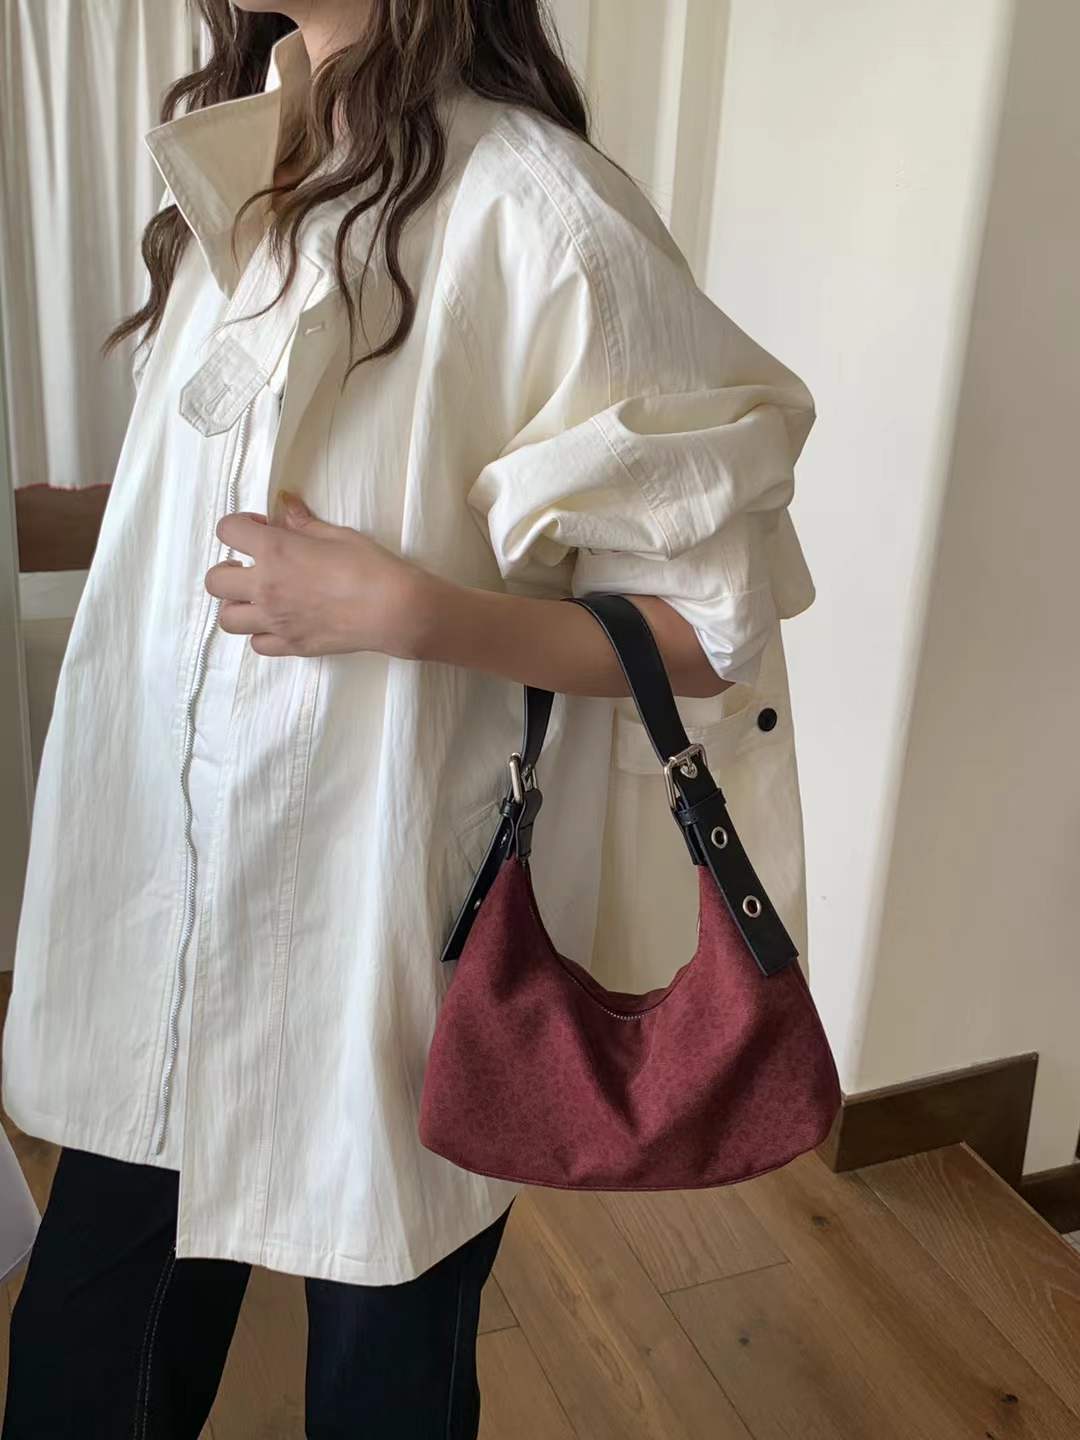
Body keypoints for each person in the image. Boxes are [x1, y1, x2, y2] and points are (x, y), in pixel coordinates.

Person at [0, 1, 818, 1435]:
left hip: (383, 933)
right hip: (163, 911)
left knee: (387, 1376)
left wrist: (410, 613)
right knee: (82, 1365)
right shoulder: (247, 163)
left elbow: (708, 630)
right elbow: (216, 505)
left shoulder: (543, 215)